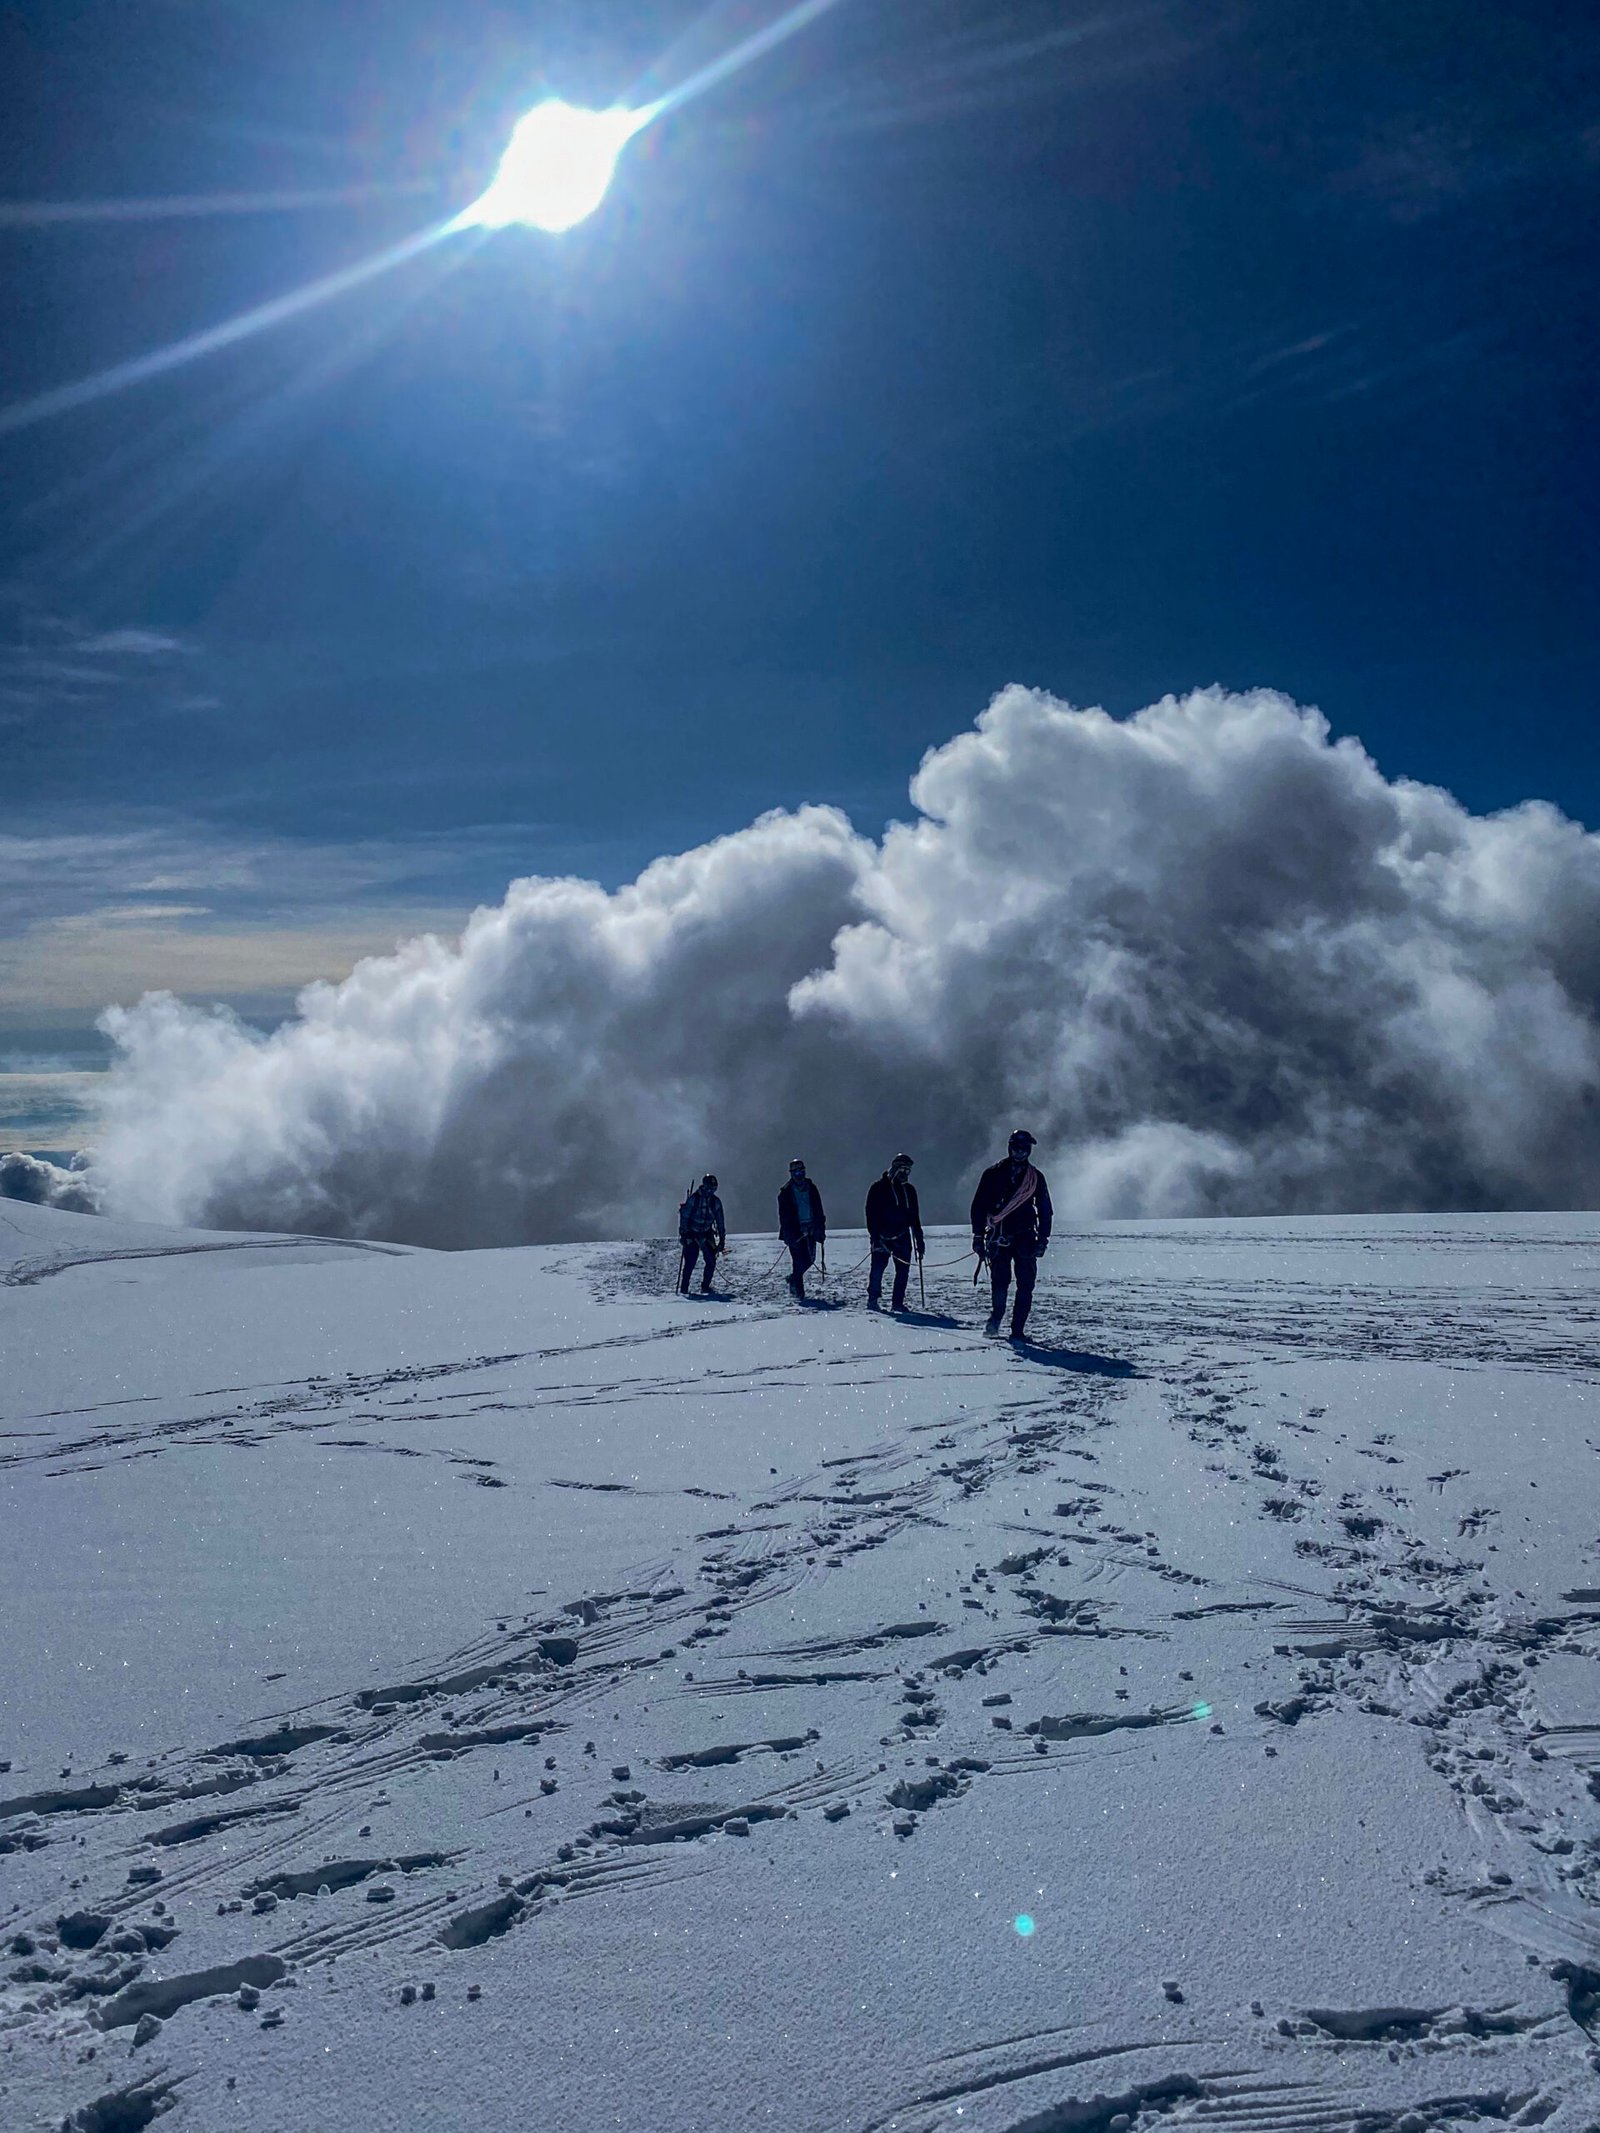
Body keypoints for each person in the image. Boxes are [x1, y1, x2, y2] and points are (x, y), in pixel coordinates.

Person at [970, 1129, 1053, 1340]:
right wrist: (978, 1236)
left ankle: (1018, 1330)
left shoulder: (1036, 1178)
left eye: (1025, 1149)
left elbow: (1045, 1210)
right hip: (999, 1235)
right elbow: (979, 1206)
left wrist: (1043, 1239)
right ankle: (996, 1319)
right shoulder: (992, 1174)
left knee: (1026, 1285)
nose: (1020, 1152)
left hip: (1026, 1237)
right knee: (1000, 1282)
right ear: (1010, 1148)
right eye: (1017, 1148)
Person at [865, 1152, 925, 1312]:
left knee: (903, 1271)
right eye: (903, 1170)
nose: (906, 1174)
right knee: (877, 1269)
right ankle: (873, 1299)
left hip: (902, 1237)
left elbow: (915, 1217)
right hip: (882, 1238)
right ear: (895, 1168)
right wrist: (875, 1237)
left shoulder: (910, 1191)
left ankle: (897, 1303)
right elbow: (871, 1215)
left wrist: (920, 1240)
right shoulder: (878, 1188)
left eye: (908, 1170)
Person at [777, 1157, 826, 1300]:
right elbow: (784, 1217)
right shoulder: (785, 1192)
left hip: (811, 1229)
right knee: (798, 1261)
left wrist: (820, 1229)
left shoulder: (812, 1188)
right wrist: (789, 1234)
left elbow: (819, 1210)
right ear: (791, 1174)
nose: (799, 1175)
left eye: (801, 1171)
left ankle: (793, 1279)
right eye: (795, 1172)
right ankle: (799, 1294)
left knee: (810, 1259)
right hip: (794, 1232)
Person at [677, 1174, 726, 1294]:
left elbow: (720, 1222)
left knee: (711, 1261)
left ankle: (705, 1286)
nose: (710, 1191)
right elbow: (685, 1217)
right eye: (709, 1188)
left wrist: (722, 1239)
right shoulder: (694, 1199)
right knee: (690, 1263)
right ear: (703, 1186)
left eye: (713, 1189)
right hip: (692, 1234)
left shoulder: (716, 1202)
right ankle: (684, 1289)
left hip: (706, 1234)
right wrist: (684, 1233)